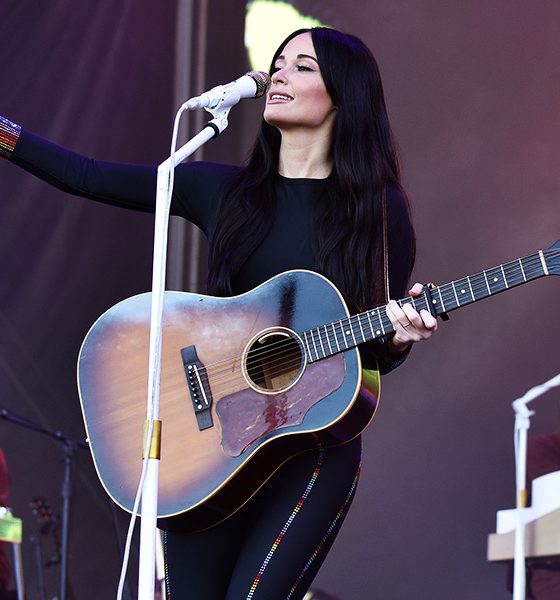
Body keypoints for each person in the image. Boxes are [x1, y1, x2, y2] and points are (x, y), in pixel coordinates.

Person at [1, 27, 437, 599]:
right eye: (277, 63)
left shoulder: (380, 212)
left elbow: (374, 356)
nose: (278, 74)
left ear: (344, 94)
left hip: (311, 450)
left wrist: (400, 338)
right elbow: (84, 176)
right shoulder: (224, 191)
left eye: (302, 67)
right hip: (205, 450)